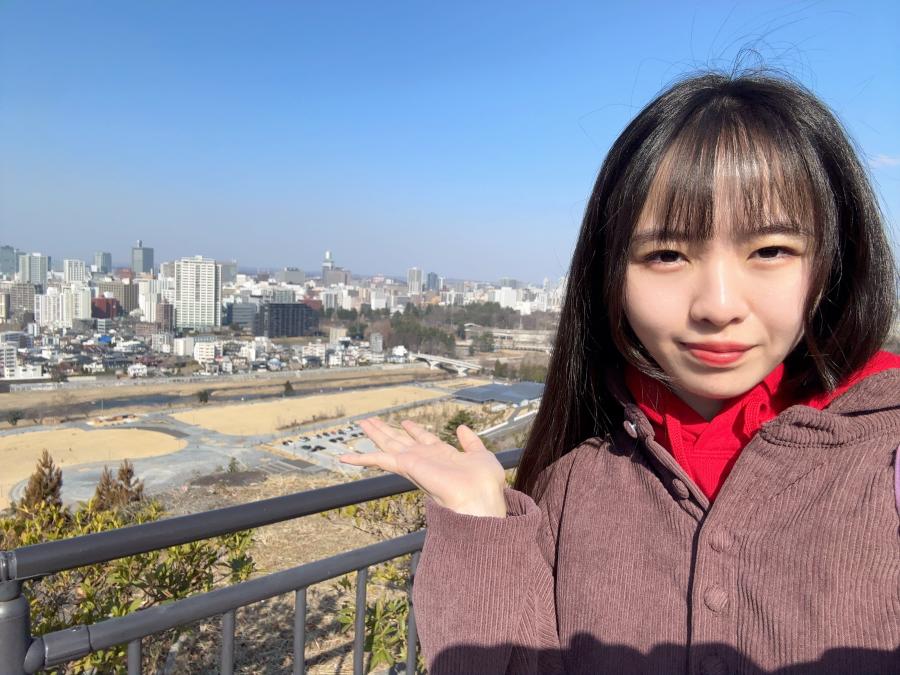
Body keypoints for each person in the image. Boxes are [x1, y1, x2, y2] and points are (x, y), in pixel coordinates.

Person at [339, 69, 900, 674]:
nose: (717, 306)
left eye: (770, 251)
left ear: (833, 264)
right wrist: (480, 515)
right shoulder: (574, 486)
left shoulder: (885, 460)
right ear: (610, 276)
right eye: (666, 255)